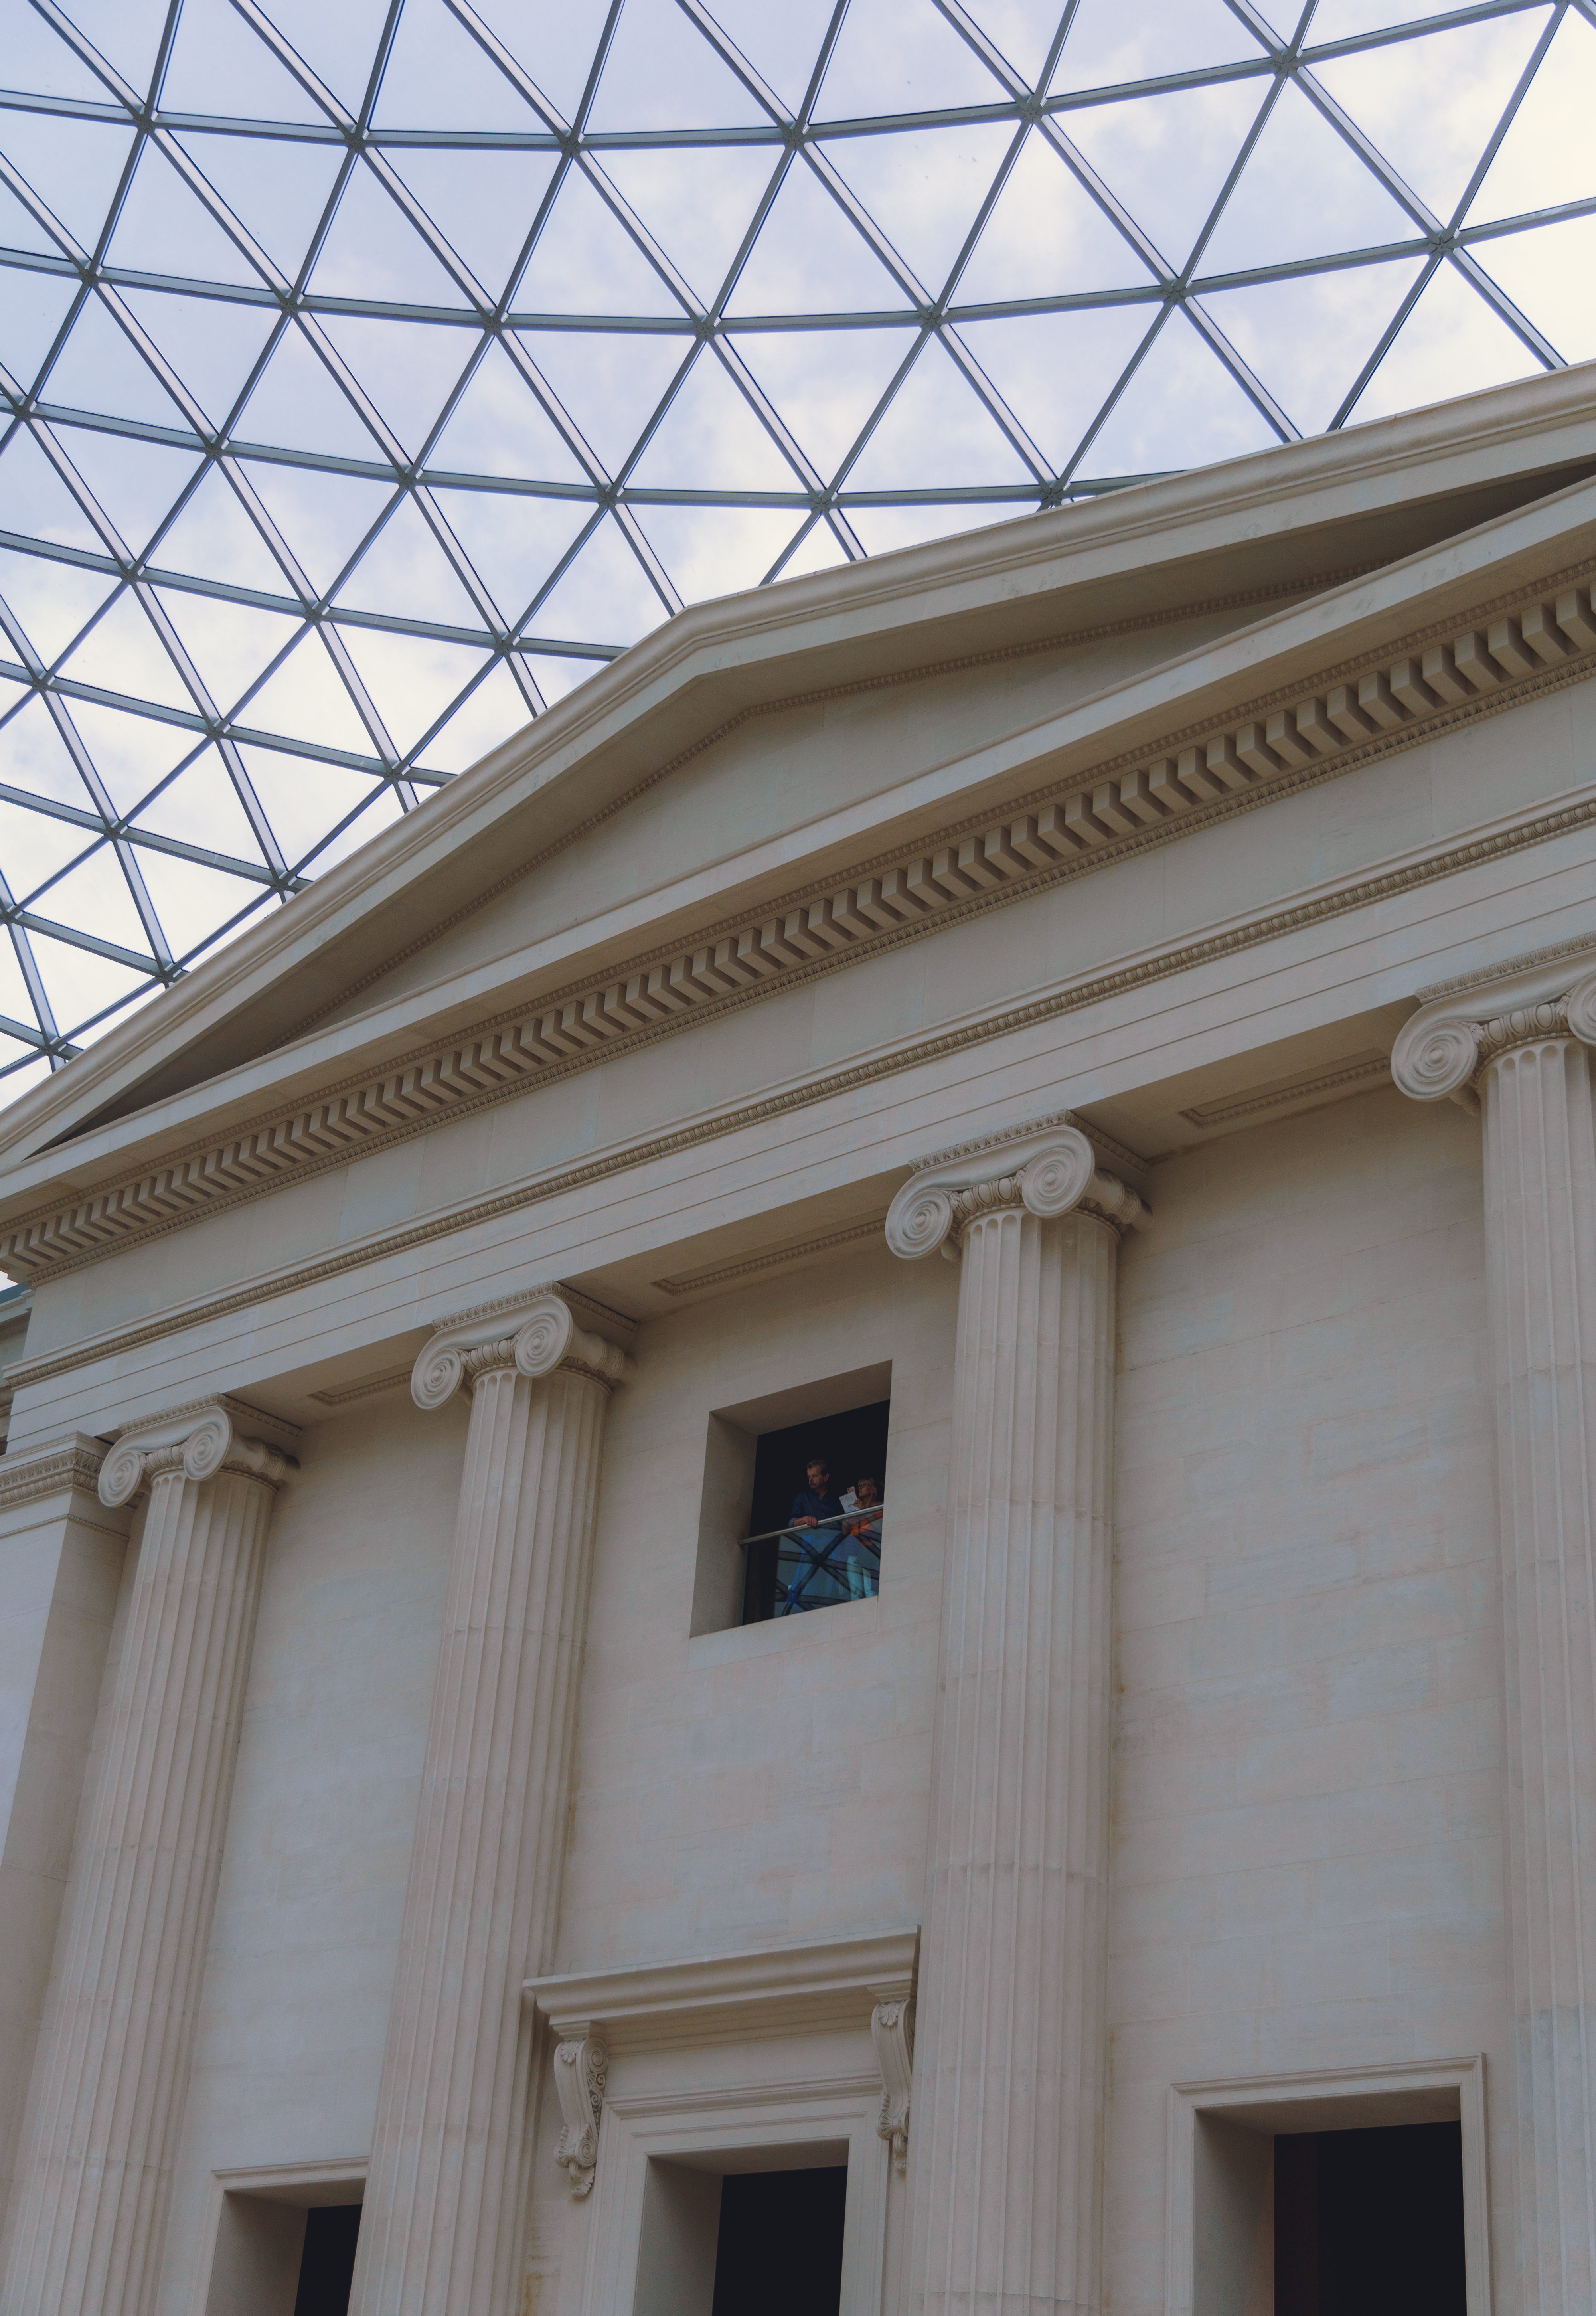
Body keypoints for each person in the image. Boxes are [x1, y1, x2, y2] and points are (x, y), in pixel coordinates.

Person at [778, 1457, 847, 1613]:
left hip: (833, 1546)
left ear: (826, 1477)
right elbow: (791, 1523)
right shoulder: (802, 1497)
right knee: (806, 1579)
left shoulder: (836, 1499)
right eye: (809, 1477)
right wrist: (804, 1519)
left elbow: (847, 1523)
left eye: (815, 1476)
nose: (811, 1480)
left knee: (832, 1580)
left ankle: (829, 1607)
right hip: (810, 1544)